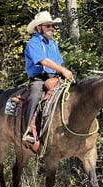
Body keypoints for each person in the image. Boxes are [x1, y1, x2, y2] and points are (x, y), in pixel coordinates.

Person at [23, 11, 73, 142]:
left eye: (52, 26)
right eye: (48, 26)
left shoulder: (53, 44)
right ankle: (28, 129)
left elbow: (58, 62)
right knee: (34, 96)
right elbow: (44, 61)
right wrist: (63, 70)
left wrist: (63, 73)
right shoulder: (33, 44)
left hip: (55, 77)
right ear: (39, 28)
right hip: (39, 79)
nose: (51, 29)